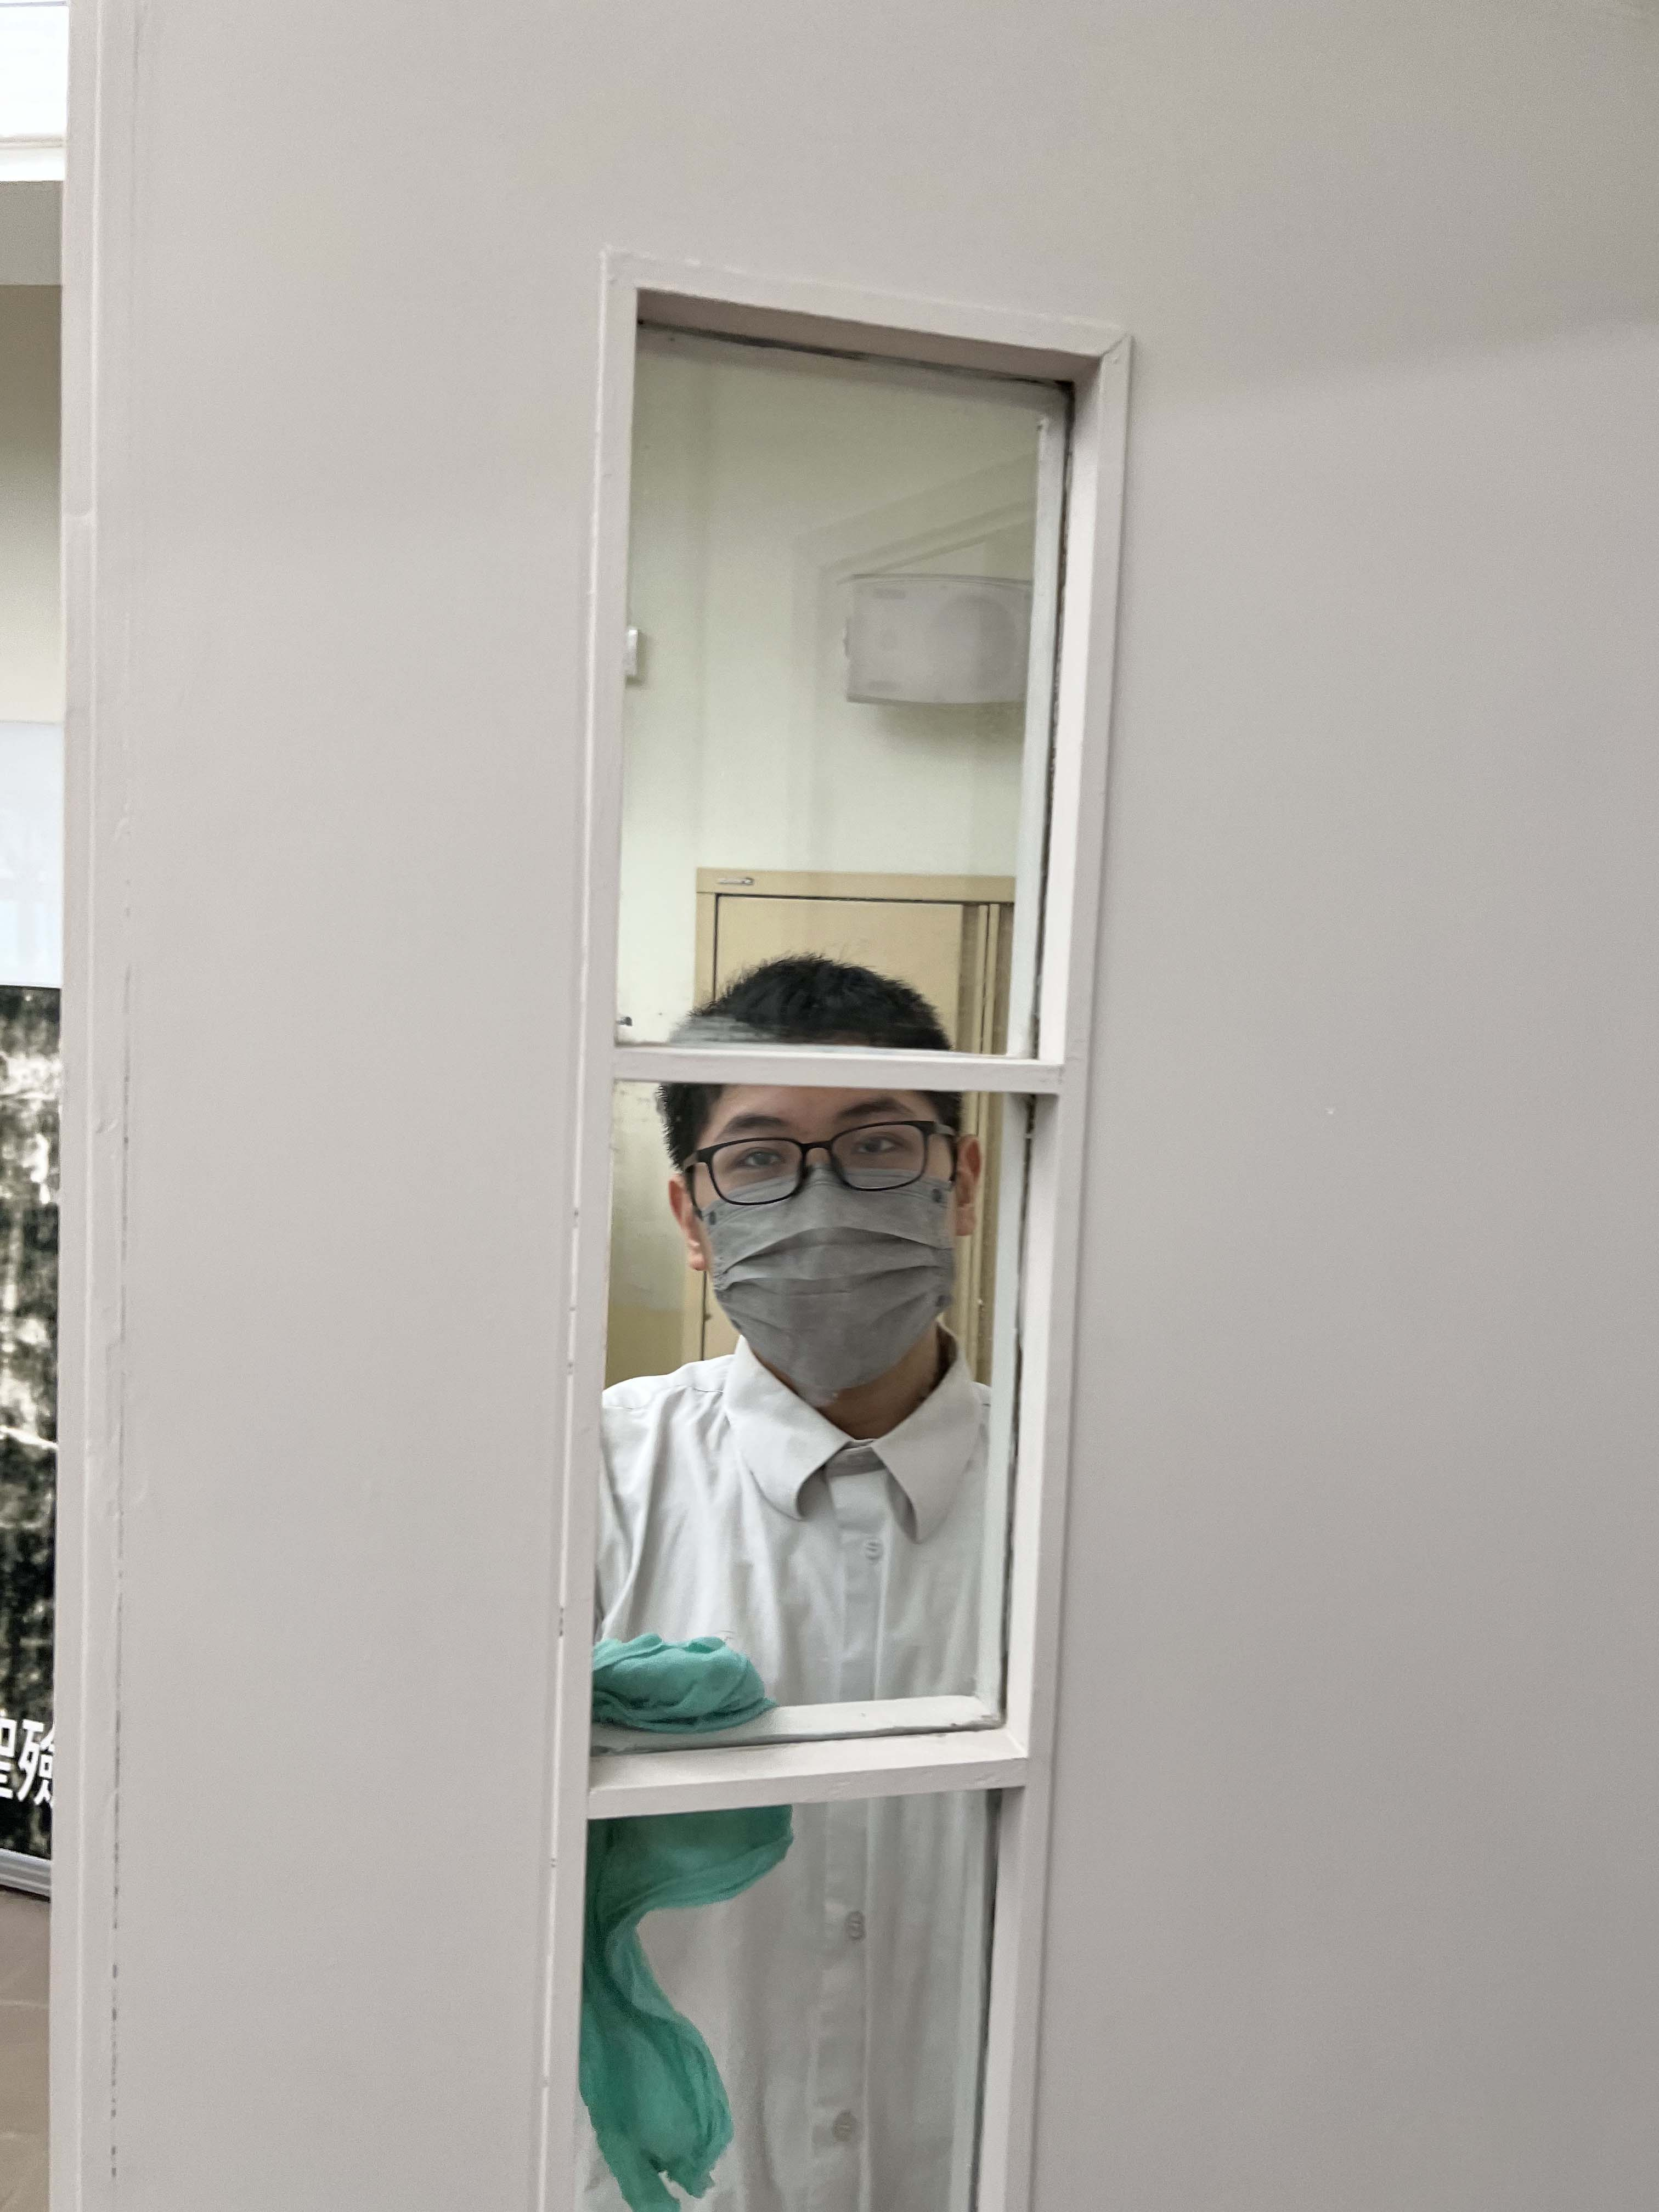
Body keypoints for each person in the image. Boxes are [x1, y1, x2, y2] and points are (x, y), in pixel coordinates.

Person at [586, 955, 996, 2212]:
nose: (820, 1202)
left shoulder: (1078, 1503)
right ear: (691, 1216)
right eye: (759, 1159)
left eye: (877, 1146)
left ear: (961, 1181)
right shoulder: (585, 1487)